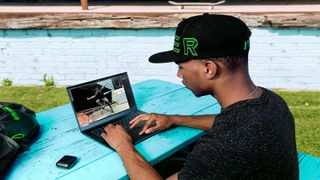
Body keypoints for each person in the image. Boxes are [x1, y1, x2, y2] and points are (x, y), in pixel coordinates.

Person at [100, 13, 299, 179]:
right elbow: (228, 122)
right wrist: (174, 119)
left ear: (208, 69)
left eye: (181, 66)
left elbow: (232, 133)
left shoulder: (226, 146)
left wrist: (123, 145)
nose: (179, 74)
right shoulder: (271, 102)